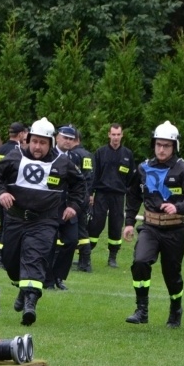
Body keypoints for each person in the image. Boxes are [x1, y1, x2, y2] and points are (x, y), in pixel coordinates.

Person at [0, 117, 86, 326]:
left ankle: (30, 303)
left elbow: (80, 186)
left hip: (44, 222)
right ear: (28, 140)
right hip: (15, 219)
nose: (37, 147)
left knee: (35, 258)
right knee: (12, 264)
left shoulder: (62, 163)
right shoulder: (14, 157)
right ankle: (23, 289)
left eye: (42, 142)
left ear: (50, 143)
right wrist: (1, 193)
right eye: (34, 141)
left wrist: (72, 206)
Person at [123, 121, 184, 329]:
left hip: (175, 230)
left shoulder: (183, 169)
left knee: (172, 274)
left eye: (166, 145)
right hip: (150, 227)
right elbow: (133, 196)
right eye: (158, 144)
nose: (161, 149)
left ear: (174, 147)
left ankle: (175, 309)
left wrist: (178, 208)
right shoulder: (143, 168)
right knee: (140, 261)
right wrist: (129, 223)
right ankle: (142, 310)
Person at [89, 123, 136, 268]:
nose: (116, 137)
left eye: (118, 134)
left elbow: (131, 178)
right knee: (96, 224)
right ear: (109, 135)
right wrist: (90, 193)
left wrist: (129, 192)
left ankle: (112, 257)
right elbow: (94, 174)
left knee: (116, 225)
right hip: (101, 194)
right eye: (113, 134)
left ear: (122, 135)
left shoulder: (128, 155)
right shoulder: (100, 152)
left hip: (118, 196)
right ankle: (86, 254)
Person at [44, 124, 81, 290]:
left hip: (69, 208)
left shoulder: (76, 158)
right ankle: (48, 279)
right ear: (57, 138)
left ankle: (59, 276)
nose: (68, 141)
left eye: (71, 139)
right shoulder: (47, 157)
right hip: (50, 208)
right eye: (65, 138)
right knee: (49, 244)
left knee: (72, 241)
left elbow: (81, 185)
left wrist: (74, 206)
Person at [0, 122, 28, 265]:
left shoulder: (0, 150)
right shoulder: (18, 151)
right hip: (12, 193)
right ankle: (3, 256)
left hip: (0, 192)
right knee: (9, 226)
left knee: (3, 225)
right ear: (20, 135)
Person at [70, 129, 94, 272]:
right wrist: (90, 194)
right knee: (83, 229)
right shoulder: (88, 155)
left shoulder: (74, 155)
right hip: (85, 195)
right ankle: (85, 261)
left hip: (76, 196)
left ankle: (83, 262)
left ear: (75, 139)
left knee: (75, 228)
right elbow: (90, 176)